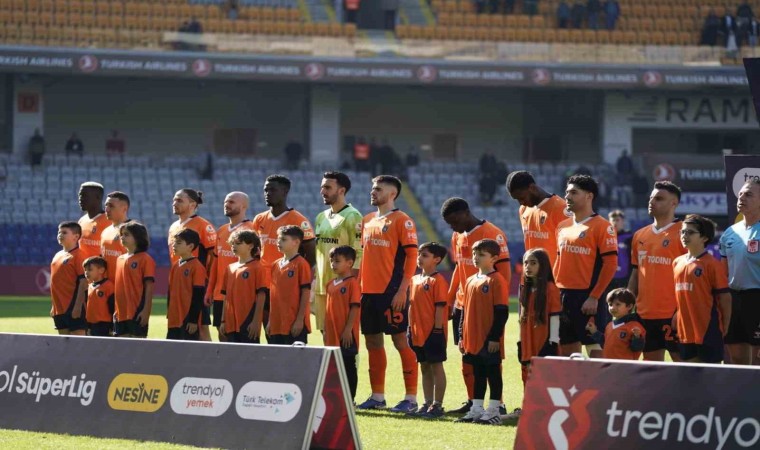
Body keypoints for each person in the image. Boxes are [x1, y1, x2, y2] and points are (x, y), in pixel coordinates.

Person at [440, 197, 510, 416]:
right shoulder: (457, 236)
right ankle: (473, 402)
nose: (453, 227)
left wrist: (497, 301)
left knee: (490, 355)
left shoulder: (493, 233)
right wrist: (450, 299)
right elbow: (458, 269)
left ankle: (498, 403)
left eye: (454, 222)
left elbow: (504, 275)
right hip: (463, 304)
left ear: (465, 213)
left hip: (485, 306)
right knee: (467, 354)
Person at [356, 175, 419, 413]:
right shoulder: (367, 220)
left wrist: (403, 289)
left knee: (400, 340)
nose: (373, 192)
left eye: (378, 189)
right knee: (372, 342)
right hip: (368, 292)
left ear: (392, 194)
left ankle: (411, 398)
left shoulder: (403, 221)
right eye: (373, 188)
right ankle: (377, 396)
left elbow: (411, 257)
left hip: (391, 292)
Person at [555, 175, 618, 358]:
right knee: (567, 354)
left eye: (574, 192)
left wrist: (594, 297)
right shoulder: (562, 226)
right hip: (563, 297)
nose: (567, 196)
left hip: (587, 298)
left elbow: (610, 265)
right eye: (567, 192)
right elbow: (558, 262)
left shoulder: (603, 226)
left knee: (596, 354)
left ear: (589, 196)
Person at [628, 181, 685, 362]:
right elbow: (636, 272)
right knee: (651, 369)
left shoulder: (685, 233)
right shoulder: (639, 235)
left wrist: (682, 310)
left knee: (684, 367)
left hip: (674, 314)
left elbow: (690, 277)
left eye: (659, 199)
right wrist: (628, 302)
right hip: (645, 314)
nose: (652, 202)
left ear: (673, 203)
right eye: (651, 198)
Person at [455, 239, 509, 426]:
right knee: (477, 372)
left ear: (494, 258)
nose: (475, 257)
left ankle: (494, 410)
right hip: (472, 338)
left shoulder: (497, 280)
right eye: (474, 254)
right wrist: (461, 336)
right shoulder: (470, 280)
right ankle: (477, 408)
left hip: (488, 337)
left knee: (492, 372)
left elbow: (501, 312)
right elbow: (463, 311)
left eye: (481, 254)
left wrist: (494, 337)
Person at [674, 215, 731, 364]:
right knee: (690, 375)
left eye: (690, 232)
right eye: (683, 232)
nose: (684, 236)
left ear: (704, 238)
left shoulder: (713, 265)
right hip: (685, 331)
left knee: (711, 375)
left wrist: (725, 325)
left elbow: (724, 298)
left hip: (708, 330)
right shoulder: (677, 262)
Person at [314, 172, 363, 337]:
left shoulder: (352, 216)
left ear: (341, 190)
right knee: (326, 334)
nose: (322, 191)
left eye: (327, 187)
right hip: (323, 285)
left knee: (344, 336)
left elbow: (359, 252)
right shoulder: (321, 217)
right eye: (322, 187)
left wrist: (351, 286)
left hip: (342, 288)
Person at [514, 248, 560, 418]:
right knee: (526, 372)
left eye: (533, 263)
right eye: (526, 263)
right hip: (528, 340)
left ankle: (546, 410)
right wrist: (520, 342)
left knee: (544, 376)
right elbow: (522, 319)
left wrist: (552, 342)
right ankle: (529, 407)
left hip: (543, 339)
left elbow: (555, 316)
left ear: (543, 265)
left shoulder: (550, 288)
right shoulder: (525, 289)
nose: (528, 267)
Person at [406, 242, 449, 419]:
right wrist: (410, 327)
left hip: (433, 332)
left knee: (436, 366)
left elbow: (440, 307)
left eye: (424, 255)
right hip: (417, 332)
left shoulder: (438, 281)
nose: (419, 258)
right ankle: (427, 402)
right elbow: (411, 306)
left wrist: (437, 330)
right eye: (419, 254)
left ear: (436, 259)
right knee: (424, 367)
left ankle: (437, 405)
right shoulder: (414, 279)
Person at [720, 179, 760, 365]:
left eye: (749, 194)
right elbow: (723, 273)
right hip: (733, 300)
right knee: (736, 359)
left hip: (757, 298)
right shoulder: (730, 232)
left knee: (757, 360)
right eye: (741, 194)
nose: (742, 197)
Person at [168, 188, 217, 341]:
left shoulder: (203, 225)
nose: (174, 203)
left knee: (201, 327)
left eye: (179, 200)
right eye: (174, 200)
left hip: (196, 284)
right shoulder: (173, 226)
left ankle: (208, 356)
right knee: (177, 325)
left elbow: (214, 257)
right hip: (178, 282)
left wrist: (210, 287)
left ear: (192, 204)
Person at [206, 192, 255, 341]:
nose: (227, 204)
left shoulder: (252, 230)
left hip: (241, 294)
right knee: (222, 335)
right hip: (220, 294)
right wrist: (210, 290)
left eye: (232, 202)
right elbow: (215, 263)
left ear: (244, 206)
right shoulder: (221, 230)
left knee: (241, 336)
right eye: (225, 202)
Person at [506, 171, 568, 270]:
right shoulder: (524, 209)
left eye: (522, 198)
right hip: (531, 275)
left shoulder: (561, 209)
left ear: (532, 188)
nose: (521, 203)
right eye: (517, 199)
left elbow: (568, 251)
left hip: (553, 276)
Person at [252, 175, 316, 268]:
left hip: (285, 275)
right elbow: (255, 249)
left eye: (273, 190)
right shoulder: (259, 219)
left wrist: (297, 272)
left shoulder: (299, 220)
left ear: (285, 192)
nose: (268, 193)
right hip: (263, 275)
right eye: (266, 190)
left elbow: (311, 253)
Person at [324, 245, 361, 402]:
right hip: (332, 333)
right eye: (332, 261)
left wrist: (347, 330)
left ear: (349, 263)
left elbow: (355, 308)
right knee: (333, 367)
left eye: (337, 261)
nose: (333, 264)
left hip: (346, 334)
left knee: (348, 365)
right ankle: (337, 399)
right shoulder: (330, 284)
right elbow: (327, 310)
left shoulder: (352, 283)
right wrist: (325, 330)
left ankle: (349, 399)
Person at [220, 230, 268, 343]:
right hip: (230, 322)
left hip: (248, 321)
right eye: (232, 243)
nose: (234, 246)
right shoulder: (229, 268)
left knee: (249, 353)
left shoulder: (258, 268)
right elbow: (225, 297)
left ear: (250, 246)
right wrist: (223, 320)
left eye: (238, 243)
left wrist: (256, 322)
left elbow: (261, 296)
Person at [268, 225, 312, 345]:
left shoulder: (301, 264)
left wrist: (299, 320)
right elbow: (273, 296)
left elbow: (305, 293)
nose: (278, 242)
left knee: (295, 356)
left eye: (283, 239)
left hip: (294, 323)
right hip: (277, 323)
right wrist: (270, 321)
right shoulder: (275, 265)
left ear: (296, 242)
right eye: (278, 239)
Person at [114, 222, 155, 338]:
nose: (122, 237)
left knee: (137, 345)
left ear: (137, 237)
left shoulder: (145, 259)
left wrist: (146, 311)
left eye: (126, 234)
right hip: (120, 314)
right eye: (121, 234)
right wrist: (116, 310)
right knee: (121, 346)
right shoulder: (119, 259)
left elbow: (149, 287)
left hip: (137, 311)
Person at [167, 229, 206, 341]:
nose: (174, 245)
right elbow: (170, 292)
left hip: (187, 320)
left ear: (190, 246)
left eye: (179, 243)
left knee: (188, 349)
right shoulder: (175, 266)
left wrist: (193, 320)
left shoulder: (197, 267)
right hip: (174, 319)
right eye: (174, 242)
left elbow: (198, 295)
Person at [585, 288, 646, 360]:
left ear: (629, 306)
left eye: (618, 304)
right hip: (608, 364)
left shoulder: (635, 326)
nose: (613, 308)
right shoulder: (609, 325)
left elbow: (637, 348)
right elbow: (605, 343)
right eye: (610, 304)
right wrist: (594, 331)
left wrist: (637, 337)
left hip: (625, 365)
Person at [50, 221, 87, 336]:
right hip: (59, 308)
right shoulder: (57, 255)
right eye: (59, 232)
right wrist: (54, 306)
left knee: (78, 342)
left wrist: (78, 306)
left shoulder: (79, 255)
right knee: (64, 342)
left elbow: (84, 282)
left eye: (64, 232)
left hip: (73, 307)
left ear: (76, 237)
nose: (60, 235)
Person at [101, 191, 131, 278]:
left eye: (111, 206)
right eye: (106, 205)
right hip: (107, 285)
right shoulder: (105, 231)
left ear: (124, 209)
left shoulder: (133, 231)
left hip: (125, 284)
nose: (107, 209)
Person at [83, 256, 115, 337]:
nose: (86, 272)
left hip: (104, 325)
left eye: (90, 270)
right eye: (85, 270)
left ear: (101, 270)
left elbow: (113, 308)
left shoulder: (108, 286)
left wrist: (112, 326)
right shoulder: (89, 286)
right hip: (91, 325)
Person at [78, 182, 109, 260]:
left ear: (98, 197)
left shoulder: (109, 222)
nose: (80, 198)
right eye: (80, 195)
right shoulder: (81, 221)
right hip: (83, 267)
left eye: (84, 195)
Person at [607, 210, 633, 290]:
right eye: (613, 220)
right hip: (608, 278)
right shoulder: (604, 238)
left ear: (623, 222)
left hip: (625, 277)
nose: (615, 222)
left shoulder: (630, 237)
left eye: (617, 220)